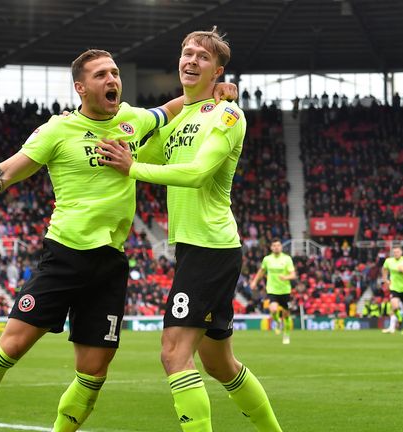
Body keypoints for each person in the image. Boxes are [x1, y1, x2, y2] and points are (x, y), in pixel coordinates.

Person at [0, 49, 237, 432]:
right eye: (101, 76)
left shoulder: (132, 119)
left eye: (114, 73)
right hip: (65, 255)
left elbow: (176, 107)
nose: (112, 81)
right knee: (13, 345)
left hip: (110, 263)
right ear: (80, 88)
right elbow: (2, 174)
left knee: (93, 372)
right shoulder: (57, 130)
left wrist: (217, 90)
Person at [97, 27, 281, 432]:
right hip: (196, 248)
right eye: (187, 53)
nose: (191, 60)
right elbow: (136, 156)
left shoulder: (228, 113)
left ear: (218, 71)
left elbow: (197, 174)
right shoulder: (177, 119)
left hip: (210, 246)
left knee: (173, 355)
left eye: (202, 56)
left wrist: (133, 167)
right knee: (221, 364)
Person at [250, 239, 296, 344]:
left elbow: (293, 275)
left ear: (281, 247)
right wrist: (254, 282)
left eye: (278, 245)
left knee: (286, 315)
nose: (276, 247)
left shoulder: (287, 259)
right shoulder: (267, 259)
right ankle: (278, 322)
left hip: (285, 290)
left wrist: (285, 277)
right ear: (271, 247)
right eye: (274, 246)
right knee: (273, 309)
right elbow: (261, 271)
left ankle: (286, 335)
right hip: (272, 290)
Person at [381, 246, 403, 336]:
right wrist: (385, 279)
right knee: (394, 306)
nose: (396, 253)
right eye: (394, 252)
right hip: (394, 288)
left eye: (397, 252)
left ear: (401, 252)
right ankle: (399, 319)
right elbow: (384, 269)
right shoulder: (389, 261)